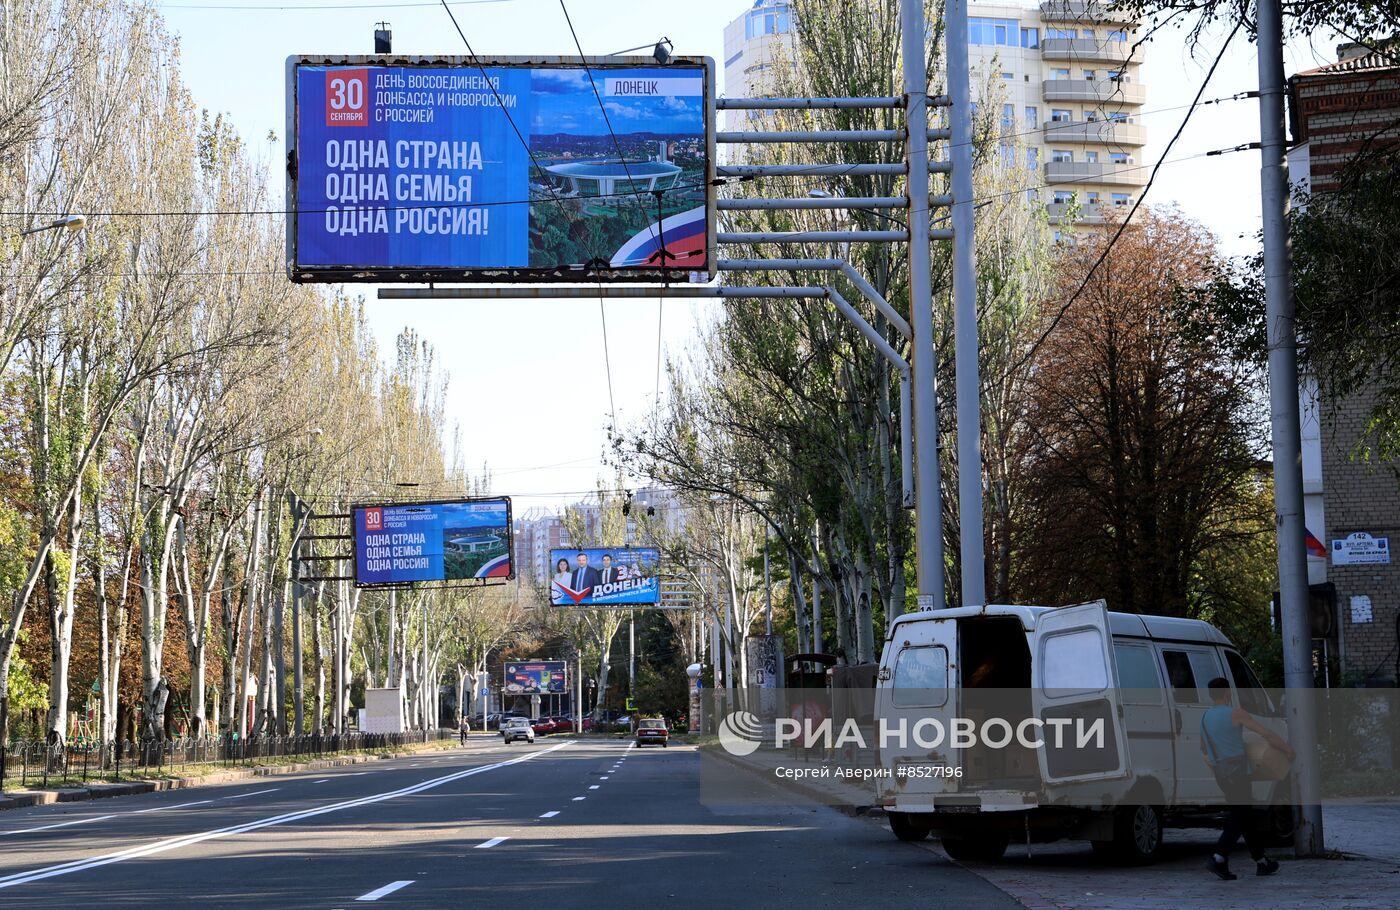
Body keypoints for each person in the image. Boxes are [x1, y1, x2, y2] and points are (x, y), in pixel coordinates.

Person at [1200, 676, 1294, 880]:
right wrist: (1287, 749)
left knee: (1244, 815)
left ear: (1211, 695)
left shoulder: (1205, 717)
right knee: (1240, 816)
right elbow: (1266, 733)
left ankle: (1262, 862)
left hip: (1220, 773)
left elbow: (1202, 747)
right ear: (1227, 693)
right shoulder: (1236, 713)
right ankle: (1218, 858)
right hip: (1238, 772)